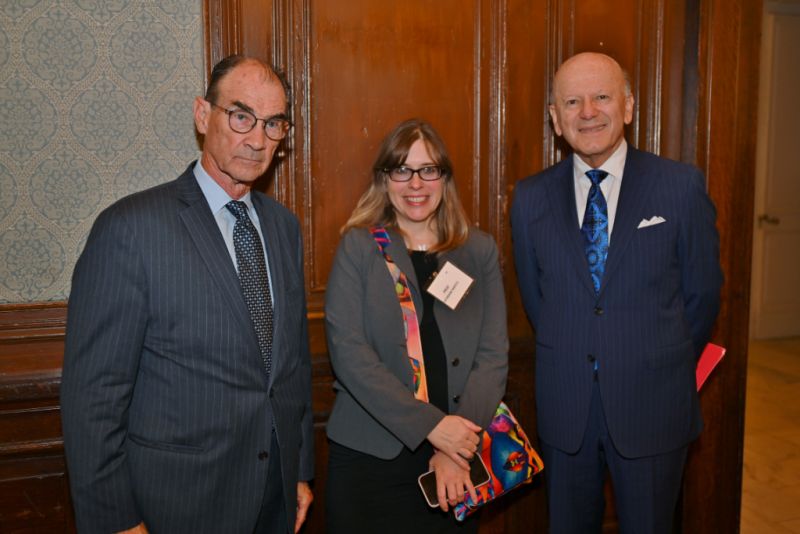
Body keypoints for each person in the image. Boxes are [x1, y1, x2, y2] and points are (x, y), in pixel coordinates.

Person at [60, 55, 313, 534]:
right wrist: (116, 520)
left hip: (272, 495)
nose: (258, 139)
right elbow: (94, 396)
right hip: (175, 505)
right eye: (241, 116)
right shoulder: (130, 229)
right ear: (202, 115)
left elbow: (292, 363)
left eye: (273, 124)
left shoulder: (283, 227)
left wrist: (298, 468)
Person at [511, 51, 723, 533]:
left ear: (628, 106)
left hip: (654, 405)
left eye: (602, 96)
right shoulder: (529, 198)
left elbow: (703, 296)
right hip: (567, 409)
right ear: (555, 118)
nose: (588, 112)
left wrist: (649, 357)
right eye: (572, 102)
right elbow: (537, 300)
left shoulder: (680, 187)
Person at [323, 119, 508, 533]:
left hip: (457, 461)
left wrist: (456, 447)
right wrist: (433, 428)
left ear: (445, 178)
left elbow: (493, 356)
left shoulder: (478, 251)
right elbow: (349, 354)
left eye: (428, 170)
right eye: (402, 170)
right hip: (371, 460)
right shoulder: (359, 247)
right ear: (384, 179)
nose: (416, 184)